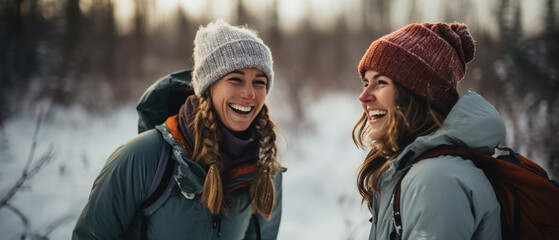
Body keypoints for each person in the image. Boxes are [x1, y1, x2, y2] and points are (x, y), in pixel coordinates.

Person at [73, 19, 284, 240]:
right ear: (208, 87)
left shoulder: (264, 170)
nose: (249, 94)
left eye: (259, 82)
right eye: (235, 79)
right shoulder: (142, 159)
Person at [352, 23, 503, 239]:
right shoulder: (412, 170)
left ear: (418, 95)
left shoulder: (435, 180)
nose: (363, 96)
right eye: (366, 82)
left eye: (381, 83)